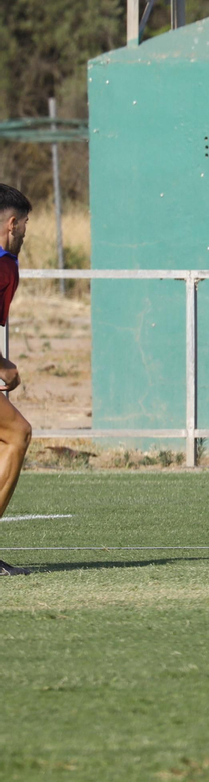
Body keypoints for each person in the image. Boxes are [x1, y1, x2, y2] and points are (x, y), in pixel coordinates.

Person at [0, 185, 32, 576]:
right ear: (11, 224)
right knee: (17, 433)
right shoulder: (5, 265)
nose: (26, 232)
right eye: (25, 224)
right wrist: (3, 365)